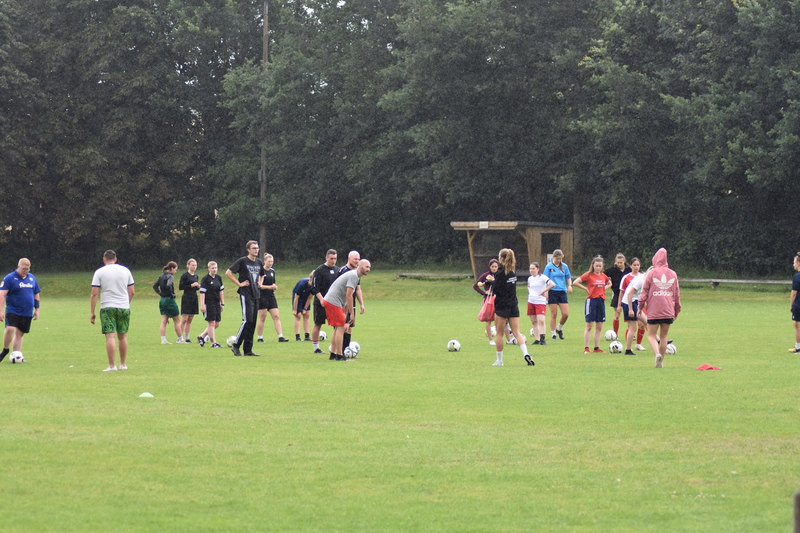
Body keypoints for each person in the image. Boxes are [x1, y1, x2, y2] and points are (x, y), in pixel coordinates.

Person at [89, 250, 135, 371]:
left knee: (110, 337)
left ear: (104, 259)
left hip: (107, 307)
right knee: (123, 336)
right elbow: (132, 292)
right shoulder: (126, 270)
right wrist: (126, 303)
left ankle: (112, 365)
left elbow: (94, 294)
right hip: (124, 307)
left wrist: (92, 312)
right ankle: (123, 364)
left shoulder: (99, 272)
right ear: (115, 259)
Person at [638, 248, 681, 368]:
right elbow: (676, 294)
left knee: (651, 335)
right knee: (664, 336)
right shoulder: (673, 274)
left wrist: (640, 306)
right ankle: (661, 361)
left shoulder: (651, 273)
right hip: (668, 310)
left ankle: (657, 354)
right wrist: (676, 310)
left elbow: (644, 292)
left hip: (654, 310)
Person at [490, 249, 534, 367]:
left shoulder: (500, 273)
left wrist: (491, 282)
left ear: (501, 259)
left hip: (502, 306)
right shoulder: (513, 273)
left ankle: (499, 360)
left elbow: (496, 290)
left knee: (499, 334)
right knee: (517, 332)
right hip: (513, 305)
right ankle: (526, 354)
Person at [324, 259, 370, 361]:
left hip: (332, 301)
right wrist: (352, 314)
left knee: (337, 328)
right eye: (367, 267)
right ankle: (340, 356)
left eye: (369, 267)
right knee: (340, 327)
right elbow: (349, 296)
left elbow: (345, 296)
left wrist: (345, 313)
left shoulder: (355, 276)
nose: (368, 269)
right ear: (360, 266)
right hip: (333, 301)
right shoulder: (354, 276)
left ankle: (333, 354)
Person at [225, 240, 265, 356]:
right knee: (247, 321)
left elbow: (262, 274)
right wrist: (239, 284)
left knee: (252, 323)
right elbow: (228, 272)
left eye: (257, 248)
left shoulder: (259, 262)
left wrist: (260, 283)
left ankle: (248, 350)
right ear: (248, 250)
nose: (256, 250)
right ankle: (236, 345)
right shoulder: (242, 261)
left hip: (256, 294)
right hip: (246, 293)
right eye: (254, 248)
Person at [0, 258, 41, 362]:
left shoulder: (32, 278)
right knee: (10, 329)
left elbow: (36, 293)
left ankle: (16, 355)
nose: (25, 271)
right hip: (13, 309)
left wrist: (37, 309)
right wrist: (0, 310)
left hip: (27, 311)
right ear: (18, 267)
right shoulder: (10, 278)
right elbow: (2, 294)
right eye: (23, 269)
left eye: (27, 269)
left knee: (20, 333)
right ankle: (5, 350)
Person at [573, 256, 612, 354]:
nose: (598, 268)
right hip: (591, 301)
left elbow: (609, 283)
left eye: (600, 266)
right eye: (596, 266)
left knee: (599, 326)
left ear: (602, 266)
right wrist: (586, 289)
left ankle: (596, 348)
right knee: (589, 325)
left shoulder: (603, 276)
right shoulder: (588, 275)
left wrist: (603, 289)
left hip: (600, 301)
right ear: (593, 266)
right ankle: (586, 348)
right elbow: (575, 282)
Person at [474, 259, 511, 346]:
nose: (494, 268)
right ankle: (491, 339)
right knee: (489, 320)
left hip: (498, 299)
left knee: (502, 319)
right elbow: (475, 286)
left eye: (495, 266)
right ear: (489, 267)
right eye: (492, 266)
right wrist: (484, 293)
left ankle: (508, 339)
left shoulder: (500, 275)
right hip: (489, 300)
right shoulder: (486, 275)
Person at [310, 249, 338, 354]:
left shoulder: (337, 270)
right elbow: (314, 288)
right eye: (331, 258)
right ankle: (316, 348)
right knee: (318, 324)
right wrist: (322, 299)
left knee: (337, 326)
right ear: (326, 258)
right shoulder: (319, 271)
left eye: (335, 258)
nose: (333, 261)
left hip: (334, 303)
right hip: (320, 302)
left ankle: (335, 347)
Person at [337, 251, 366, 353]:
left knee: (350, 327)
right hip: (341, 303)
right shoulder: (342, 270)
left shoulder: (357, 272)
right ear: (349, 258)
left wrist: (361, 303)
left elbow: (358, 289)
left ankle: (346, 351)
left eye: (358, 259)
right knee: (343, 327)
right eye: (355, 259)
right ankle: (339, 351)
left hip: (351, 303)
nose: (357, 261)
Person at [256, 253, 288, 343]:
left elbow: (273, 283)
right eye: (269, 261)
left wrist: (274, 286)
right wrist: (270, 287)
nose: (270, 263)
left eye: (272, 261)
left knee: (276, 316)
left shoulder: (272, 271)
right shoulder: (260, 271)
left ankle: (280, 336)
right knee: (262, 317)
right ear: (264, 261)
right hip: (262, 296)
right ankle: (260, 337)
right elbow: (259, 286)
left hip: (271, 296)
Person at [543, 249, 573, 340]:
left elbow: (568, 277)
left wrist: (570, 285)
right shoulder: (549, 267)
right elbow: (545, 279)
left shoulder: (564, 266)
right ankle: (553, 334)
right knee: (553, 314)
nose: (559, 260)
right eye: (557, 259)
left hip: (562, 291)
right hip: (552, 291)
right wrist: (545, 291)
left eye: (560, 259)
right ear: (554, 257)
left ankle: (558, 329)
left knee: (565, 314)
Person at [618, 258, 645, 355]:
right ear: (631, 266)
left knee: (646, 323)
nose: (637, 267)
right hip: (630, 302)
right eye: (635, 265)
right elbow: (626, 293)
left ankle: (659, 342)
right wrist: (626, 308)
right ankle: (628, 349)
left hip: (636, 302)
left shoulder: (642, 277)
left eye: (638, 265)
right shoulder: (631, 278)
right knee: (632, 327)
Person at [197, 261, 225, 348]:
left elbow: (221, 291)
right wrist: (202, 305)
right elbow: (202, 293)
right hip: (208, 303)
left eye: (215, 268)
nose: (214, 269)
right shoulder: (205, 279)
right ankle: (213, 343)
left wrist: (222, 303)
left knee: (217, 324)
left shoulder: (218, 278)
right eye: (212, 268)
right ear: (209, 269)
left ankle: (202, 336)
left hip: (216, 303)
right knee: (211, 323)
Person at [154, 261, 183, 344]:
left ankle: (163, 340)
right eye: (175, 270)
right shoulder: (170, 276)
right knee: (177, 320)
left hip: (162, 300)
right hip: (169, 300)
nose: (175, 271)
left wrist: (161, 294)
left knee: (163, 321)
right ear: (172, 268)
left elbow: (155, 286)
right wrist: (171, 294)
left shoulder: (161, 276)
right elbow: (169, 285)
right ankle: (180, 339)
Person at [527, 262, 555, 346]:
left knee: (541, 320)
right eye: (530, 268)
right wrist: (530, 292)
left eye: (533, 268)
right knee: (534, 321)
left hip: (540, 301)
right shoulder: (530, 278)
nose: (531, 270)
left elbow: (552, 284)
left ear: (538, 269)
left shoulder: (542, 277)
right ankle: (537, 339)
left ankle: (542, 339)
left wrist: (544, 291)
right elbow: (529, 286)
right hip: (531, 301)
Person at [604, 253, 631, 337]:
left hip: (628, 295)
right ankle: (615, 335)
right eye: (618, 262)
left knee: (629, 317)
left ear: (624, 261)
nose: (619, 264)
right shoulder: (612, 270)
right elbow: (602, 276)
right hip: (617, 294)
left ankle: (630, 334)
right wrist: (606, 284)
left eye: (621, 262)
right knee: (617, 315)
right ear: (615, 262)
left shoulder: (629, 270)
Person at [179, 258, 200, 343]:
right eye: (192, 265)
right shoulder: (185, 275)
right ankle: (179, 337)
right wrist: (191, 285)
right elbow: (181, 287)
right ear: (188, 265)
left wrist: (198, 287)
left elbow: (195, 288)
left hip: (194, 297)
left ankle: (187, 338)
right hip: (187, 297)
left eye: (195, 265)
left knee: (190, 319)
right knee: (184, 319)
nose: (194, 267)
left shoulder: (196, 276)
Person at [291, 273, 314, 341]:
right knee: (298, 315)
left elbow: (310, 298)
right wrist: (295, 309)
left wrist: (305, 308)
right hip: (298, 298)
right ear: (310, 279)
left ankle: (307, 336)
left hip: (306, 298)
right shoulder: (302, 284)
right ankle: (297, 337)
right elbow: (296, 298)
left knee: (307, 315)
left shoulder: (314, 286)